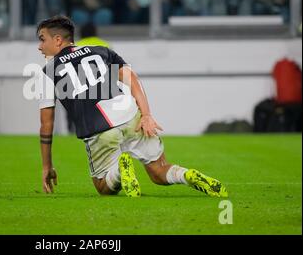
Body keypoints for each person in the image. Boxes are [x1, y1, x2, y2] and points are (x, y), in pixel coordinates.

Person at [36, 15, 228, 197]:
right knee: (160, 171)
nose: (40, 46)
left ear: (58, 40)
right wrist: (146, 115)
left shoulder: (47, 72)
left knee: (103, 186)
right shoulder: (101, 51)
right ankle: (186, 175)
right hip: (130, 116)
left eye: (42, 39)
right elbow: (132, 80)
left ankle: (120, 171)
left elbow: (47, 125)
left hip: (100, 129)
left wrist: (47, 166)